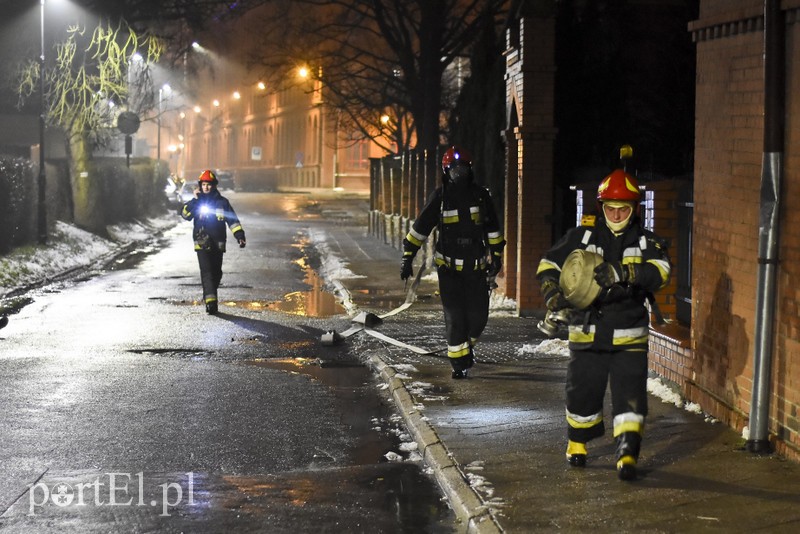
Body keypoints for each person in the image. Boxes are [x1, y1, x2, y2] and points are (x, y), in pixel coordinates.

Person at [536, 168, 670, 480]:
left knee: (630, 395)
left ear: (635, 209)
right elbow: (549, 264)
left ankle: (627, 452)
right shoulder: (581, 237)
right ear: (601, 207)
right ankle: (577, 441)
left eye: (623, 208)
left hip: (629, 333)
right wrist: (552, 293)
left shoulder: (646, 242)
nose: (617, 214)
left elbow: (662, 272)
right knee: (581, 391)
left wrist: (625, 272)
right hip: (587, 331)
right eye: (611, 208)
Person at [400, 146, 505, 379]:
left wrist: (496, 257)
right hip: (449, 271)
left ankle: (466, 349)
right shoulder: (440, 198)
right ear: (446, 171)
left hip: (476, 269)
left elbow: (493, 229)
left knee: (478, 318)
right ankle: (459, 365)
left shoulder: (481, 196)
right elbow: (420, 228)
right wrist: (407, 257)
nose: (459, 173)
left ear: (469, 169)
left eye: (462, 169)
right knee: (455, 317)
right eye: (454, 169)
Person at [180, 169, 246, 314]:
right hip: (202, 242)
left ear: (214, 186)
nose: (206, 187)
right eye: (203, 185)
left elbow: (233, 221)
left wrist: (239, 235)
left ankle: (209, 294)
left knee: (216, 272)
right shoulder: (197, 202)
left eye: (209, 185)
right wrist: (194, 201)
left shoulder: (222, 203)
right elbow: (185, 215)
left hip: (218, 243)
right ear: (200, 186)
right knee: (207, 272)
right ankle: (211, 303)